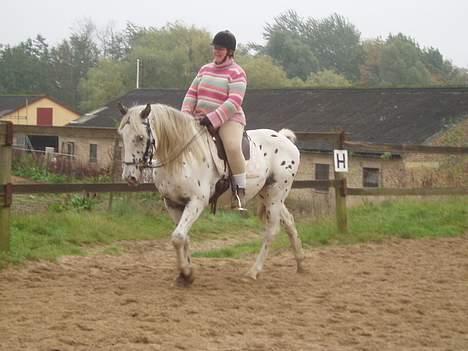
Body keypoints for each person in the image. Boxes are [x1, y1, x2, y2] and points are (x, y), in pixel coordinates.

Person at [182, 30, 248, 211]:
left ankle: (239, 192)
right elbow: (191, 93)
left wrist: (213, 118)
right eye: (216, 48)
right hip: (200, 119)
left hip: (229, 119)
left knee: (233, 146)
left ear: (230, 51)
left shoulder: (237, 73)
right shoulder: (204, 69)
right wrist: (186, 115)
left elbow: (234, 102)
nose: (217, 51)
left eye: (221, 48)